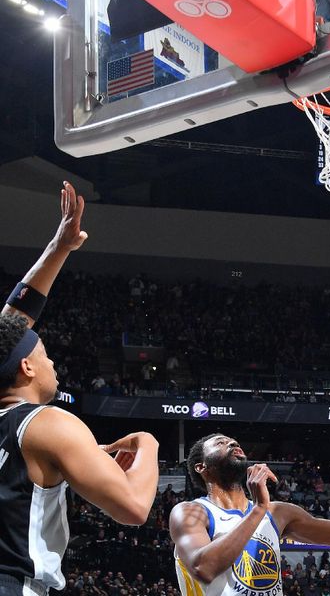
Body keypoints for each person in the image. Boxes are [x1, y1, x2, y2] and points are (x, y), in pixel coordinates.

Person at [0, 181, 160, 596]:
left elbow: (10, 324)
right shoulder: (48, 423)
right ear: (26, 366)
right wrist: (149, 442)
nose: (53, 363)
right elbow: (133, 507)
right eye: (45, 353)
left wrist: (60, 247)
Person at [170, 434, 330, 596]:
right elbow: (203, 568)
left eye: (234, 442)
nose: (233, 444)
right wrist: (258, 510)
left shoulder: (278, 513)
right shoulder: (191, 511)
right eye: (220, 443)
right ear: (201, 467)